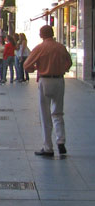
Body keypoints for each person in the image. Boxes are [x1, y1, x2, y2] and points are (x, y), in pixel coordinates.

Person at [24, 25, 72, 157]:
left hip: (45, 81)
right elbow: (69, 62)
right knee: (58, 112)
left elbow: (26, 65)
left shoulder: (40, 48)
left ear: (41, 35)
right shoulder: (60, 47)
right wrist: (62, 68)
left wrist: (35, 68)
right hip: (59, 80)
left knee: (45, 114)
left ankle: (48, 147)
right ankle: (61, 141)